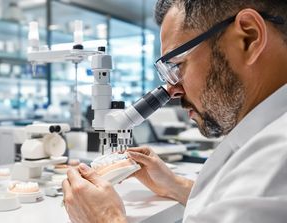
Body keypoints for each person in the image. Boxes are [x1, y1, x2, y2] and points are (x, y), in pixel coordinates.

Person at [62, 0, 287, 222]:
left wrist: (106, 218)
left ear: (248, 38)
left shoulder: (277, 158)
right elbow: (238, 204)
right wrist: (175, 185)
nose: (173, 89)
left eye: (178, 64)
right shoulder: (263, 133)